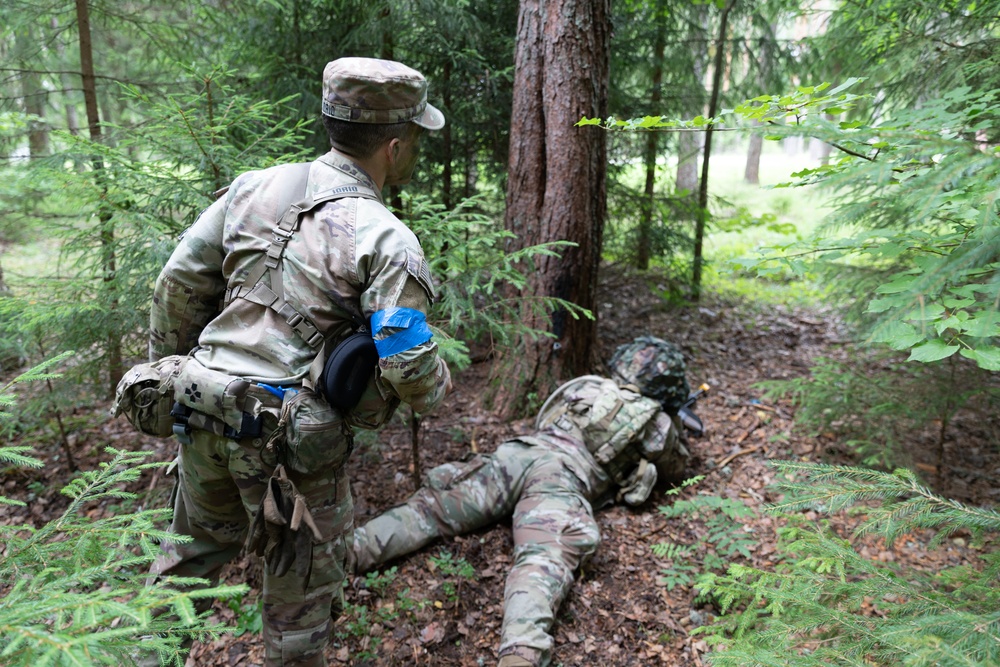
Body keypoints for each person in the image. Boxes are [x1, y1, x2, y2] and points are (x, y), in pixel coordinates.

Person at [145, 57, 452, 667]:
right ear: (394, 146)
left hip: (206, 409)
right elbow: (407, 363)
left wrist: (175, 381)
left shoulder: (252, 188)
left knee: (183, 572)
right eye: (415, 136)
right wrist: (434, 391)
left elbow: (176, 284)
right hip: (292, 446)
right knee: (298, 606)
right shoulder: (386, 238)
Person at [351, 336, 695, 667]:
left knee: (431, 511)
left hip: (520, 453)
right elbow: (677, 469)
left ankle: (345, 553)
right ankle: (521, 654)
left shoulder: (588, 386)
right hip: (561, 480)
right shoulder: (657, 422)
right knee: (542, 562)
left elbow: (547, 417)